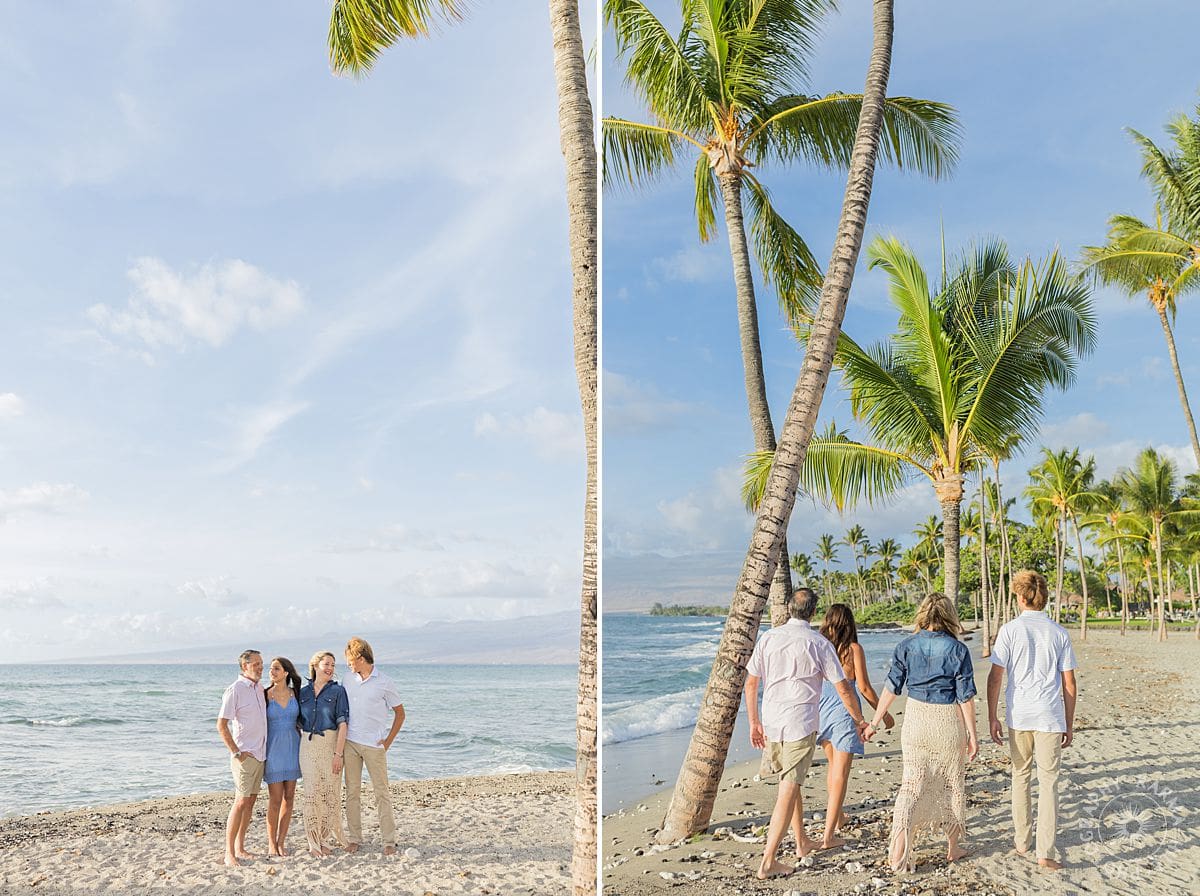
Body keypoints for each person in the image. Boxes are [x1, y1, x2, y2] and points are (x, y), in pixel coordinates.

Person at [744, 588, 869, 880]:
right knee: (789, 787)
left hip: (772, 722)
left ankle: (801, 843)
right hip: (800, 722)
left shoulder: (769, 638)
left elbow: (751, 684)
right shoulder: (818, 643)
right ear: (813, 613)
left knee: (790, 782)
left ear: (789, 609)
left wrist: (753, 722)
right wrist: (860, 720)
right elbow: (843, 688)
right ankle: (768, 861)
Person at [864, 593, 978, 873]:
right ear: (949, 616)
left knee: (911, 786)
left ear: (922, 614)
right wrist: (972, 735)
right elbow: (965, 697)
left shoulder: (906, 646)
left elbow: (892, 686)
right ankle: (953, 848)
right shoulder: (958, 650)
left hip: (915, 720)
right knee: (952, 784)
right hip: (946, 720)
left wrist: (874, 722)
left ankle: (898, 853)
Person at [987, 569, 1078, 872]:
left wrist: (992, 716)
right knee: (1049, 782)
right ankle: (1045, 852)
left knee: (1020, 776)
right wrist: (1069, 721)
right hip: (1050, 715)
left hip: (1020, 715)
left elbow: (995, 677)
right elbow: (1069, 684)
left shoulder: (1010, 630)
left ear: (1021, 596)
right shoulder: (1059, 633)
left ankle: (1022, 841)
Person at [815, 603, 894, 849]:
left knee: (832, 768)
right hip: (843, 709)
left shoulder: (820, 647)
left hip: (820, 706)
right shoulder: (852, 649)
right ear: (850, 623)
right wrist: (884, 715)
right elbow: (863, 687)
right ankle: (829, 834)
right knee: (841, 772)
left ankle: (838, 816)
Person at [342, 636, 406, 856]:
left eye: (350, 660)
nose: (348, 665)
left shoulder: (384, 682)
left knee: (382, 793)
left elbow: (400, 713)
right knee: (352, 792)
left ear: (360, 658)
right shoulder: (347, 679)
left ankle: (388, 840)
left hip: (374, 746)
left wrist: (387, 741)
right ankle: (354, 838)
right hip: (350, 744)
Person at [216, 649, 268, 867]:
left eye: (261, 663)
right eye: (255, 663)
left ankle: (240, 847)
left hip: (260, 754)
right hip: (244, 756)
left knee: (250, 802)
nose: (260, 667)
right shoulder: (235, 689)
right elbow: (221, 724)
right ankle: (229, 852)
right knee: (240, 802)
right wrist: (236, 752)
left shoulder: (259, 688)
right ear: (244, 666)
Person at [298, 650, 350, 858]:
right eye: (326, 664)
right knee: (311, 793)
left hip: (331, 746)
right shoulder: (302, 692)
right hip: (308, 746)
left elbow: (343, 724)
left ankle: (325, 837)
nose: (330, 668)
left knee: (330, 794)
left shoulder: (338, 692)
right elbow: (296, 721)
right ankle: (313, 841)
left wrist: (338, 754)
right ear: (315, 665)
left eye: (333, 665)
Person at [263, 656, 303, 857]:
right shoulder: (264, 695)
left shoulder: (296, 694)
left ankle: (281, 842)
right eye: (271, 669)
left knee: (289, 797)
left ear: (286, 672)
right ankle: (271, 843)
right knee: (275, 799)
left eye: (276, 668)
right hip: (273, 751)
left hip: (293, 749)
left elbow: (306, 719)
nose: (272, 672)